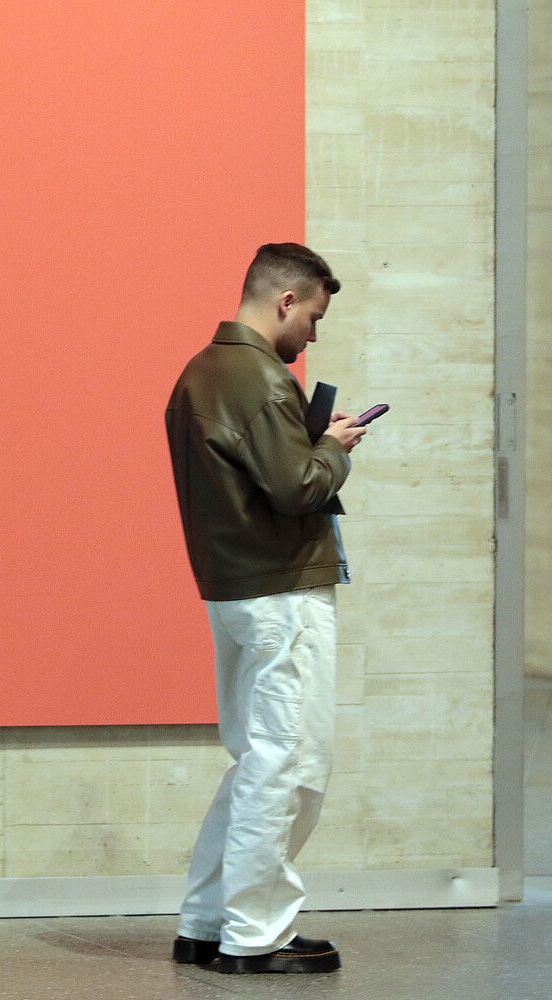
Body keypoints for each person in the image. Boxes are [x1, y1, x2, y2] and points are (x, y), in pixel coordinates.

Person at [164, 243, 368, 975]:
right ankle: (256, 935)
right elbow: (298, 489)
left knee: (257, 760)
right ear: (285, 300)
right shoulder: (257, 376)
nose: (312, 335)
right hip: (281, 590)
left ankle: (207, 922)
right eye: (312, 317)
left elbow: (261, 479)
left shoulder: (203, 372)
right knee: (289, 764)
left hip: (237, 588)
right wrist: (337, 447)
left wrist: (309, 445)